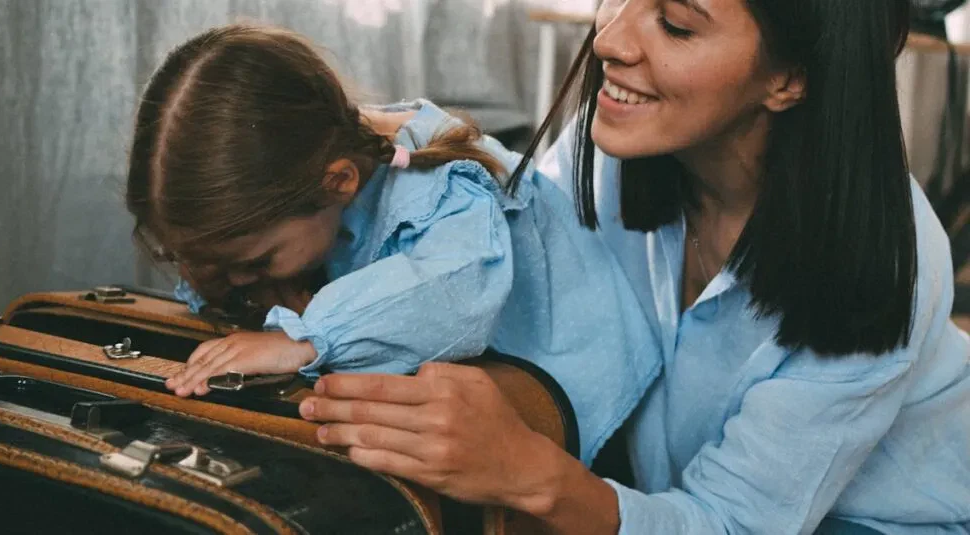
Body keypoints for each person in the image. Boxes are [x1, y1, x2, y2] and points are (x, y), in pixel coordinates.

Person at [296, 0, 970, 533]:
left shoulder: (884, 261)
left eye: (676, 24)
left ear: (789, 79)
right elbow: (508, 241)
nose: (609, 38)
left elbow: (730, 524)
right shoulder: (618, 150)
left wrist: (529, 472)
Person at [124, 24, 662, 468]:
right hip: (493, 381)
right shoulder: (317, 155)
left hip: (585, 393)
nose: (242, 278)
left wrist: (307, 339)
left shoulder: (444, 187)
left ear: (338, 183)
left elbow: (457, 296)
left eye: (256, 262)